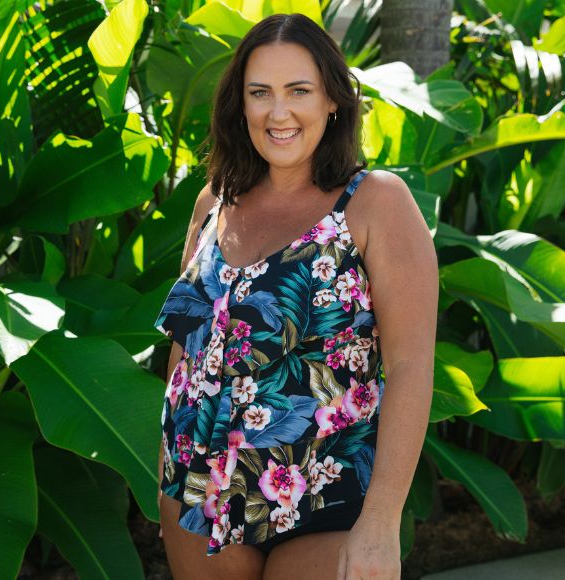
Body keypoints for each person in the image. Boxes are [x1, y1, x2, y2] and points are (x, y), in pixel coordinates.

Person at [152, 13, 437, 580]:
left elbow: (410, 365)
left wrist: (381, 525)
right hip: (200, 494)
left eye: (298, 91)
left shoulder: (374, 202)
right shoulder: (214, 202)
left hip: (327, 497)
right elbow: (187, 348)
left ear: (333, 98)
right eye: (260, 93)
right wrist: (167, 465)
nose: (278, 112)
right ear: (241, 105)